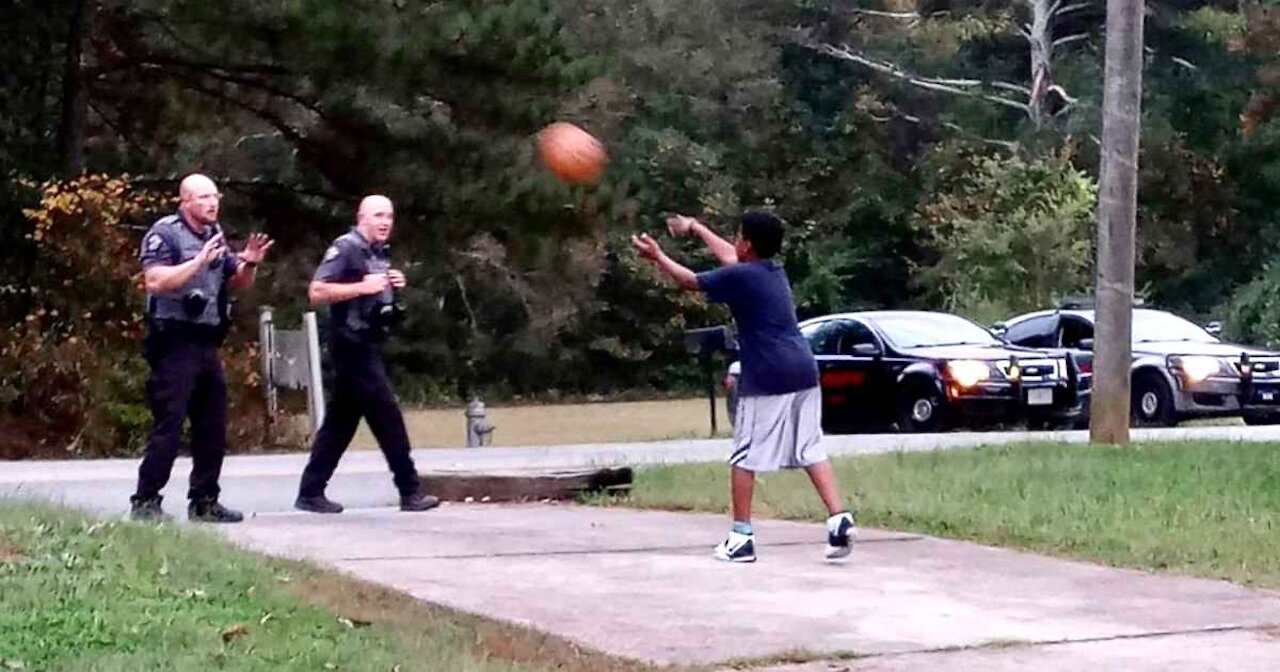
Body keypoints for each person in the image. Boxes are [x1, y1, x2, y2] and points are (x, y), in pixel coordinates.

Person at [632, 211, 856, 563]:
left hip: (769, 373)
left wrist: (657, 256)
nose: (734, 240)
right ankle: (839, 519)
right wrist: (697, 228)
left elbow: (691, 281)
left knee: (744, 455)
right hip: (803, 369)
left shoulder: (742, 276)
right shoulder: (771, 272)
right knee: (810, 448)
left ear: (747, 244)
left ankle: (741, 539)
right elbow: (731, 258)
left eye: (738, 235)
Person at [131, 173, 274, 523]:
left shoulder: (214, 234)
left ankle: (205, 501)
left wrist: (249, 262)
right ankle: (146, 501)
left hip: (206, 339)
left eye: (215, 196)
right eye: (204, 197)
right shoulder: (165, 233)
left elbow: (235, 278)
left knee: (212, 424)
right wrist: (196, 262)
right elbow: (154, 281)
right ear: (185, 202)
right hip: (173, 339)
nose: (212, 203)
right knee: (170, 422)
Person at [294, 195, 439, 514]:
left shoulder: (378, 253)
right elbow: (317, 291)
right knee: (388, 416)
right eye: (377, 215)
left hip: (370, 341)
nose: (385, 221)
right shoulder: (346, 247)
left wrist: (392, 285)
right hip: (350, 343)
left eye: (389, 215)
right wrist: (362, 287)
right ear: (361, 217)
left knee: (340, 422)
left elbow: (376, 292)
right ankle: (410, 490)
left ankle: (311, 491)